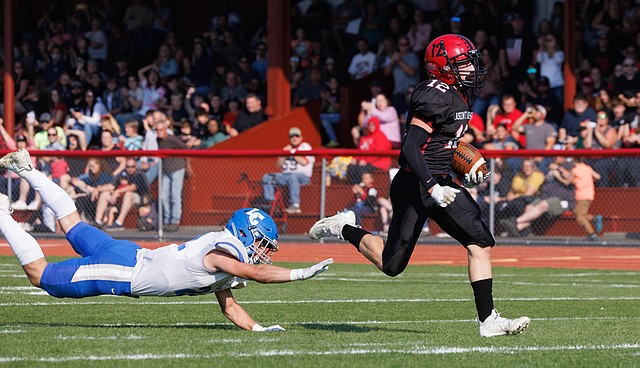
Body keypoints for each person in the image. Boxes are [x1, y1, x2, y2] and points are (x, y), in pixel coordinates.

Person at [308, 34, 530, 337]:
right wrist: (431, 186)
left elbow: (442, 145)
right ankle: (344, 227)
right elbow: (411, 147)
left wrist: (463, 171)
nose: (471, 68)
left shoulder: (462, 94)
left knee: (481, 243)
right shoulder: (433, 93)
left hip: (443, 183)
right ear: (443, 68)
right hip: (415, 183)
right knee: (391, 265)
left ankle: (488, 321)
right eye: (463, 62)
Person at [0, 148, 332, 331]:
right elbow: (255, 274)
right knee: (40, 276)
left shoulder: (224, 252)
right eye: (261, 243)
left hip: (128, 253)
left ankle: (26, 169)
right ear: (246, 234)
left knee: (72, 223)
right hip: (123, 269)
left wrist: (259, 331)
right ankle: (2, 213)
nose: (263, 252)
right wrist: (300, 273)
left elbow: (230, 307)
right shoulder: (222, 254)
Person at [262, 127, 314, 214]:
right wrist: (284, 154)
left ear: (301, 138)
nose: (294, 138)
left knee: (292, 177)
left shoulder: (305, 146)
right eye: (292, 136)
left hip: (303, 176)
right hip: (285, 176)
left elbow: (304, 162)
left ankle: (295, 205)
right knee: (267, 177)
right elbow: (279, 165)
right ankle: (270, 202)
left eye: (296, 136)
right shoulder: (287, 148)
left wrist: (291, 152)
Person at [571, 157, 602, 241]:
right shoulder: (587, 168)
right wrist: (589, 181)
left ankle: (592, 234)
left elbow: (570, 181)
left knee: (580, 217)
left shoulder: (575, 170)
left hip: (581, 195)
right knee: (581, 214)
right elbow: (598, 176)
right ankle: (594, 218)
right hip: (590, 193)